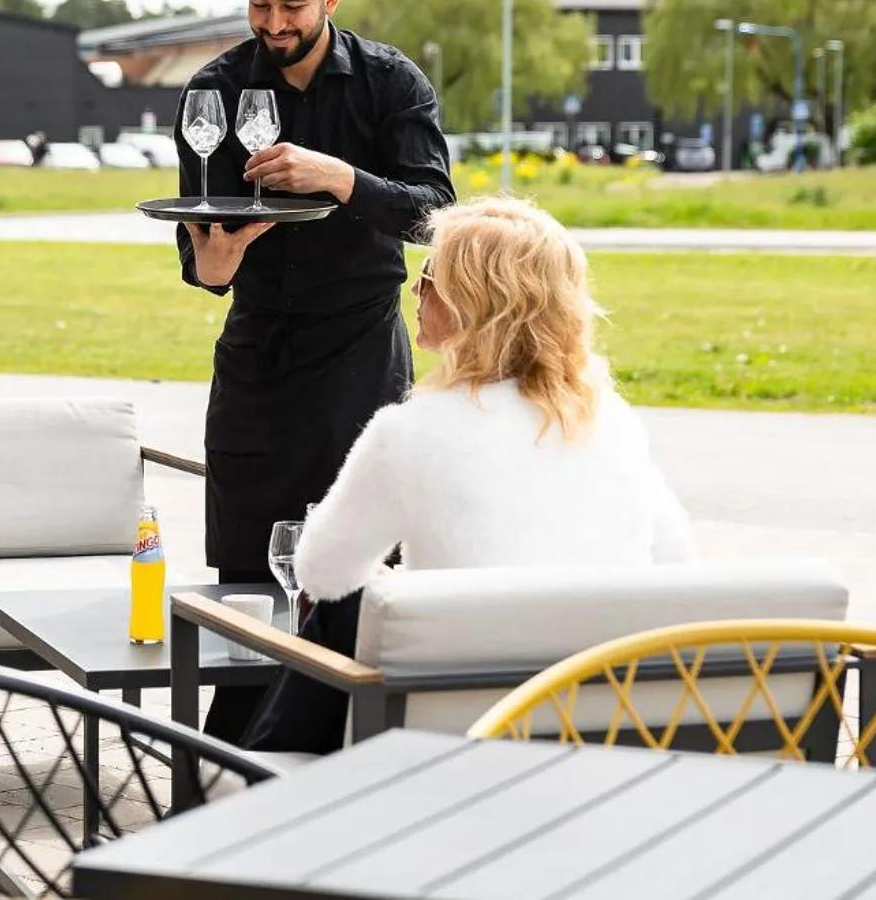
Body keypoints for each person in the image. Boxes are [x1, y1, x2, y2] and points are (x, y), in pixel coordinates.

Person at [240, 196, 697, 754]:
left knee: (351, 610)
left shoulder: (411, 430)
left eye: (429, 276)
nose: (414, 290)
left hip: (451, 742)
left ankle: (249, 781)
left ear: (470, 302)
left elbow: (320, 573)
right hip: (600, 732)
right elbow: (676, 562)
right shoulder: (610, 420)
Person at [174, 0, 453, 741]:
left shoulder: (390, 85)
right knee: (245, 589)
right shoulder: (214, 90)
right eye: (258, 4)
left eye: (292, 4)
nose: (273, 24)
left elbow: (435, 212)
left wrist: (339, 177)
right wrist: (211, 270)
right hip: (257, 360)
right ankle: (234, 758)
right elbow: (201, 241)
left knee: (358, 579)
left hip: (361, 361)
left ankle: (356, 753)